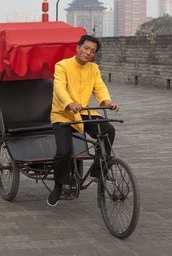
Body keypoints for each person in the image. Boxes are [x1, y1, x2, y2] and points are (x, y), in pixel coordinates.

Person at [48, 34, 119, 207]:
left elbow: (99, 87)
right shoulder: (62, 65)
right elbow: (59, 87)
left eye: (92, 51)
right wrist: (69, 103)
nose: (88, 53)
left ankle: (97, 170)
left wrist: (107, 102)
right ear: (78, 48)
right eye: (86, 48)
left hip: (83, 112)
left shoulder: (93, 69)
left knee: (108, 130)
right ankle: (59, 185)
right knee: (63, 152)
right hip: (62, 113)